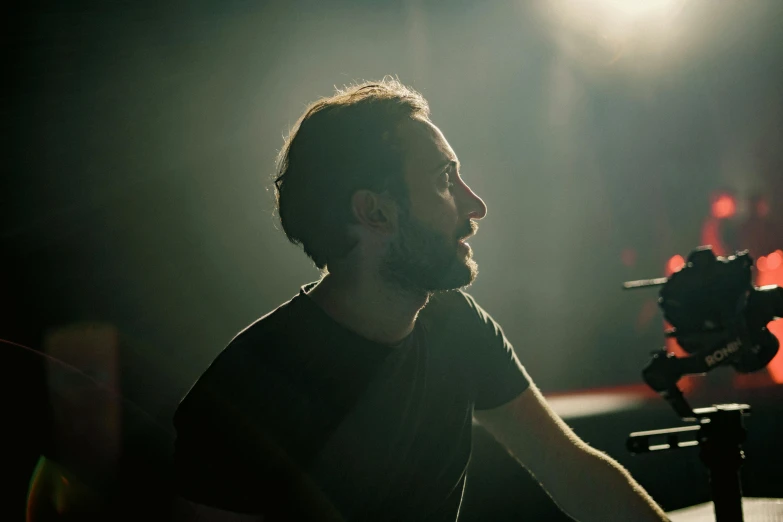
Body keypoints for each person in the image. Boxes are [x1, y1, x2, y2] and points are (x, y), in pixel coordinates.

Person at [172, 78, 670, 522]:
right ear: (374, 212)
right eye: (443, 180)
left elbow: (575, 473)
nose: (475, 206)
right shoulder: (243, 393)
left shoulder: (456, 324)